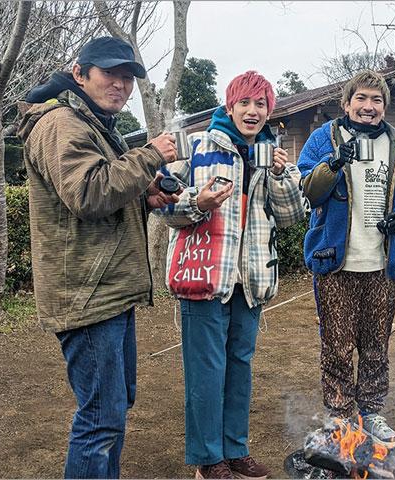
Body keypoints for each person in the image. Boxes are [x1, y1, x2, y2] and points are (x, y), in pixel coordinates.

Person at [18, 37, 179, 478]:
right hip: (87, 296)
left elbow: (97, 195)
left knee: (112, 407)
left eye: (128, 77)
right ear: (79, 73)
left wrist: (143, 197)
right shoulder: (61, 123)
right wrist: (150, 156)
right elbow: (87, 194)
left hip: (107, 290)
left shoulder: (91, 123)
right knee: (100, 418)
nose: (122, 84)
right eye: (111, 73)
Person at [154, 71, 305, 479]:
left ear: (269, 111)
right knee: (206, 371)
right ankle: (207, 459)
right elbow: (162, 201)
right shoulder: (201, 147)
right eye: (246, 103)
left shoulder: (273, 155)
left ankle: (235, 449)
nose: (253, 111)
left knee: (240, 366)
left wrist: (279, 176)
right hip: (204, 275)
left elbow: (292, 217)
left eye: (261, 105)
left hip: (251, 279)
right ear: (230, 105)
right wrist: (198, 203)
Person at [297, 70, 395, 448]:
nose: (368, 107)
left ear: (383, 107)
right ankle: (340, 416)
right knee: (336, 345)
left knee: (376, 344)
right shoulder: (324, 138)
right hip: (335, 261)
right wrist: (335, 164)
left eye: (376, 101)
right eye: (362, 99)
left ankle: (371, 413)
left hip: (382, 262)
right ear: (347, 102)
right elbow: (310, 190)